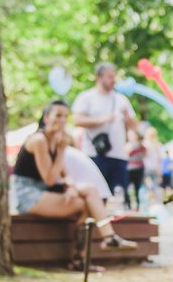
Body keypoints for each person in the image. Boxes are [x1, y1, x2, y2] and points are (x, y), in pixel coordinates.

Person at [12, 99, 136, 271]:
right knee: (85, 204)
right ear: (47, 117)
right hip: (28, 194)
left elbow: (63, 173)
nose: (62, 120)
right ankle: (84, 255)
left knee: (90, 191)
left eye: (65, 116)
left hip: (46, 191)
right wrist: (62, 150)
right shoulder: (39, 140)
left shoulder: (56, 140)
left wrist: (70, 187)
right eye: (58, 116)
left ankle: (106, 239)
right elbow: (49, 178)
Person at [72, 62, 138, 208]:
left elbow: (134, 126)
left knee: (118, 196)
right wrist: (101, 120)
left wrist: (128, 118)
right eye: (109, 76)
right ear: (99, 77)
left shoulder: (121, 100)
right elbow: (76, 120)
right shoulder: (87, 97)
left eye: (114, 76)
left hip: (119, 155)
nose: (113, 80)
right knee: (96, 196)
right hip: (94, 154)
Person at [124, 128, 146, 211]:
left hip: (138, 168)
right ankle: (128, 205)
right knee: (126, 187)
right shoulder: (127, 145)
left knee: (137, 188)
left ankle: (137, 205)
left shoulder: (141, 146)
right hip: (128, 168)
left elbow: (143, 155)